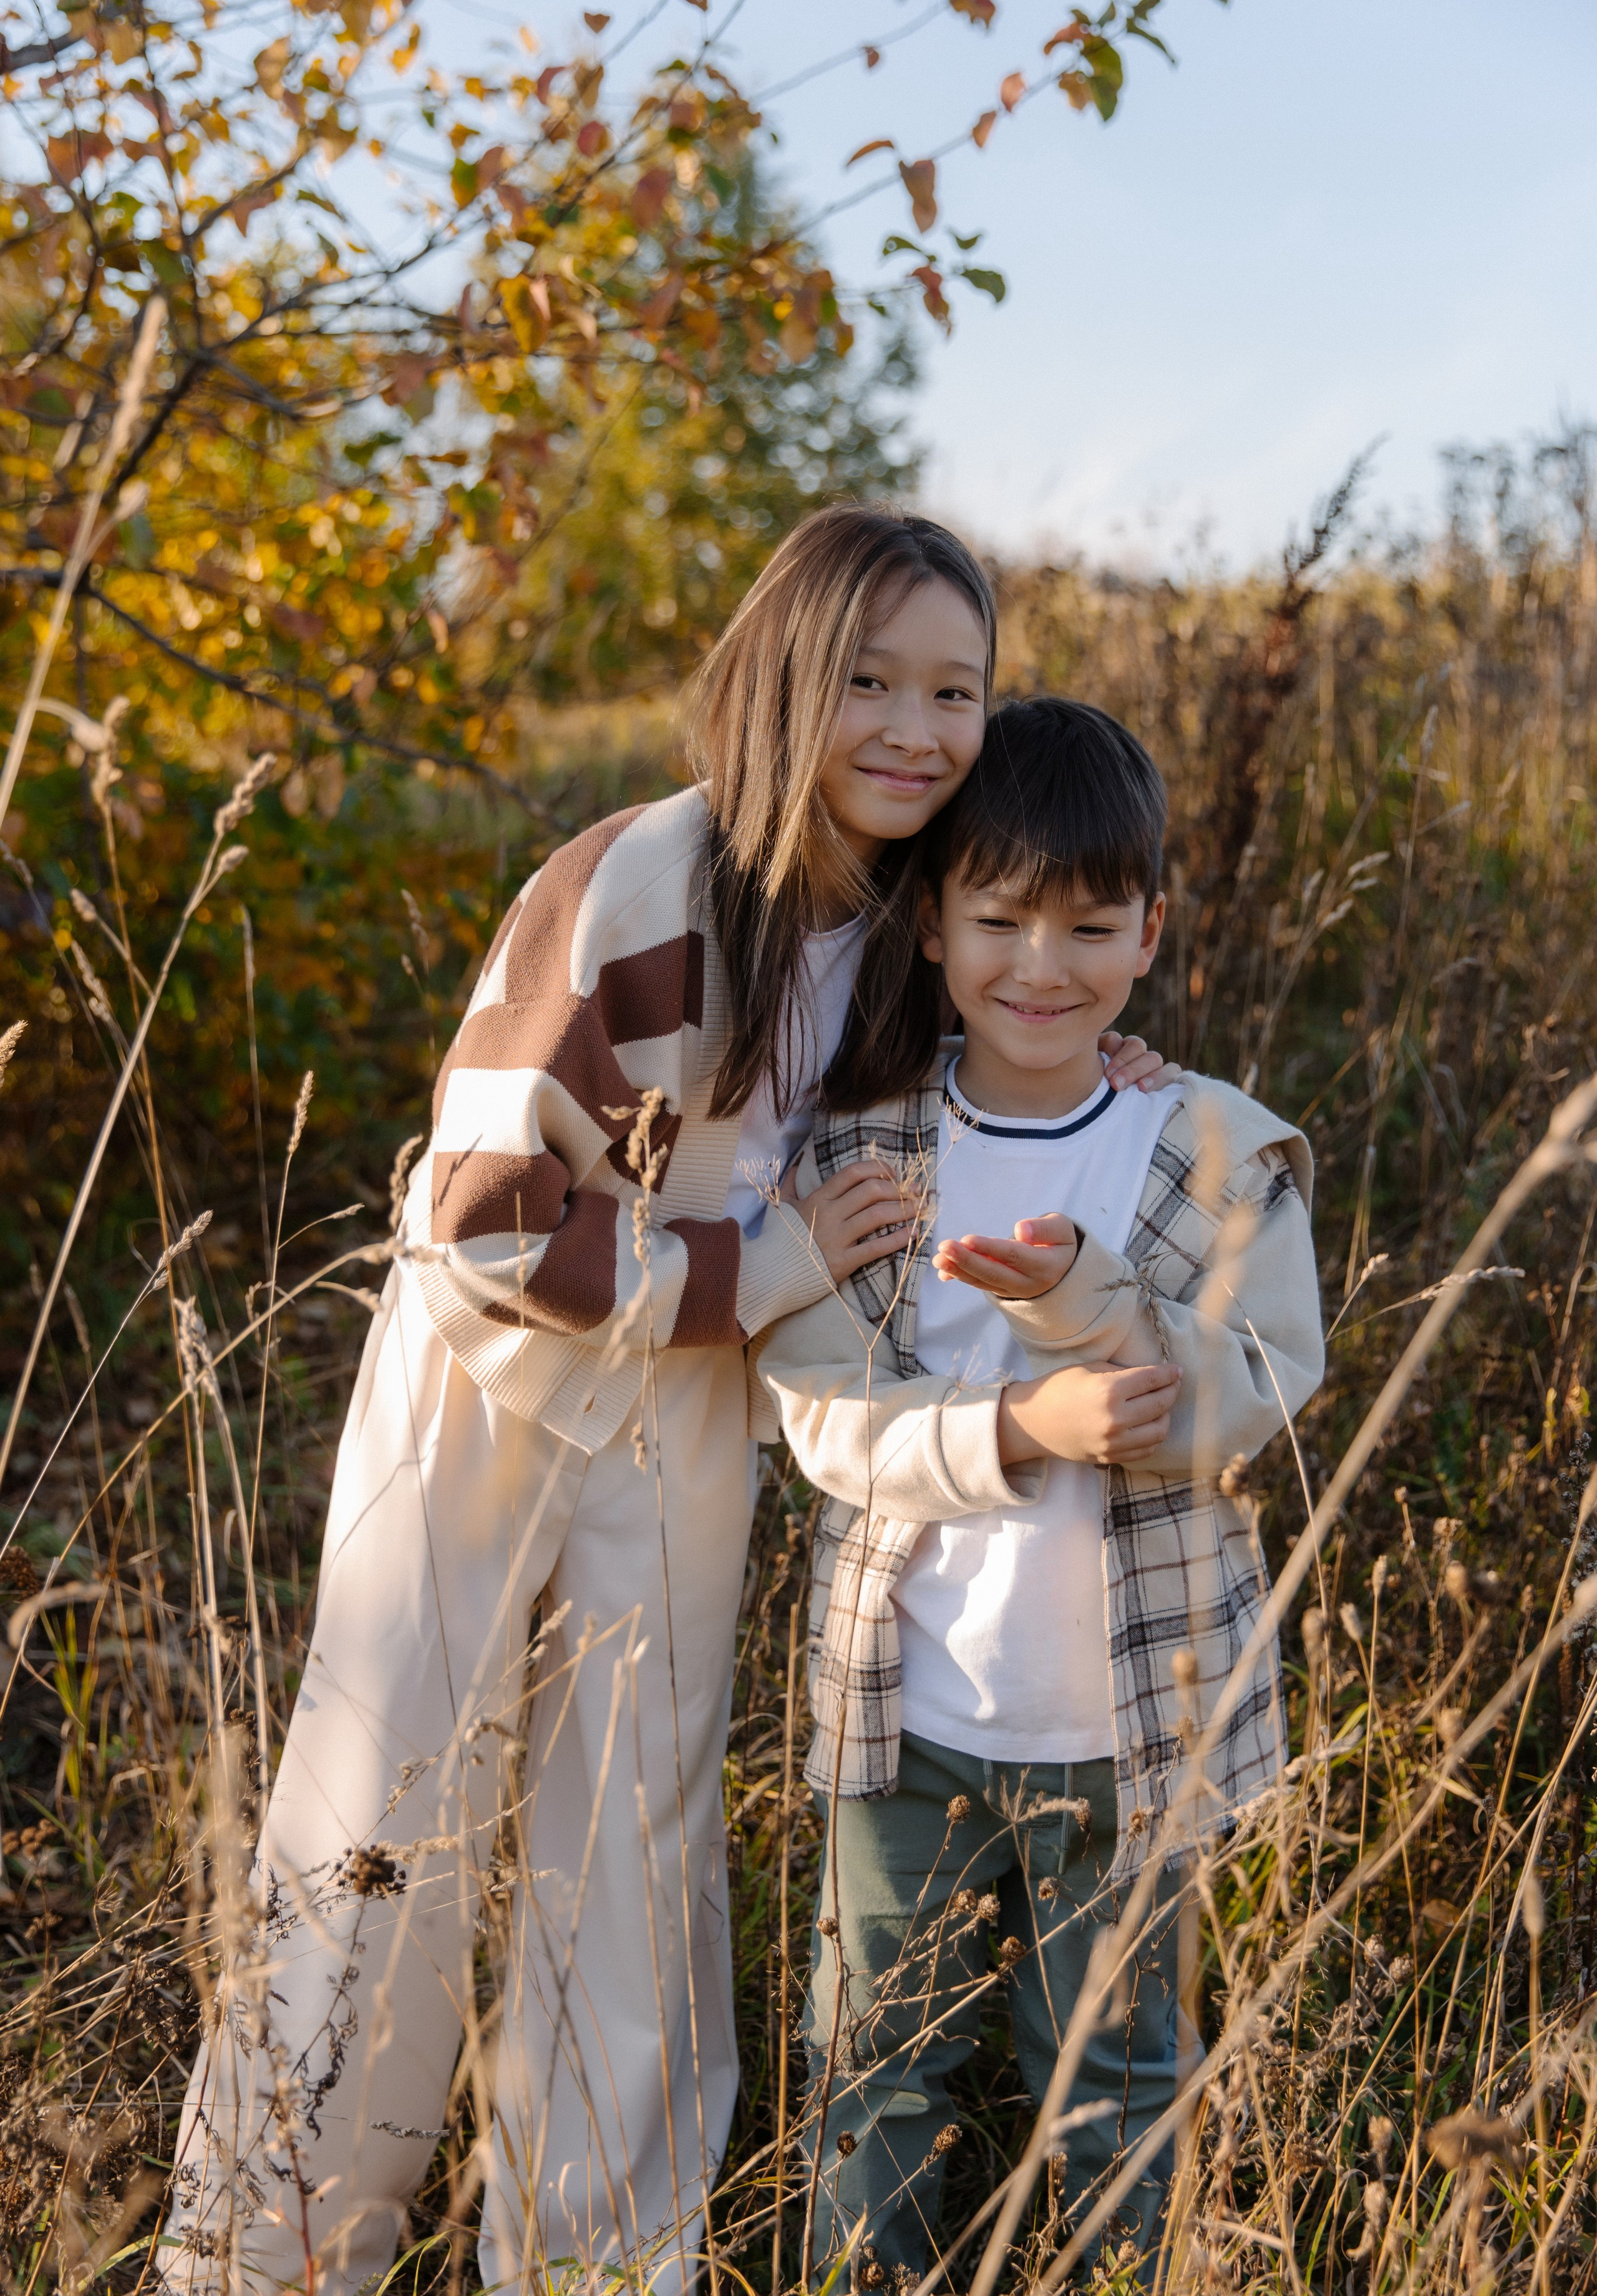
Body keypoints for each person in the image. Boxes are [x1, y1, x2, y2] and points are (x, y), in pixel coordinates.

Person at [161, 520, 1172, 2296]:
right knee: (384, 1818)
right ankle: (271, 2251)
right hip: (486, 1397)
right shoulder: (644, 880)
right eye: (871, 678)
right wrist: (758, 1260)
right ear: (783, 672)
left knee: (629, 1847)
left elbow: (1003, 1028)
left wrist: (1103, 1071)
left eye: (957, 689)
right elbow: (474, 1222)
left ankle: (599, 2265)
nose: (919, 728)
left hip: (686, 1417)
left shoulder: (899, 915)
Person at [754, 698, 1325, 2284]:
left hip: (1129, 1741)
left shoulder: (1203, 1144)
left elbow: (1254, 1400)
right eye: (996, 918)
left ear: (1150, 930)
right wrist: (1019, 1423)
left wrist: (1081, 1309)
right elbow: (821, 1417)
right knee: (877, 2080)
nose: (1040, 966)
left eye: (1088, 925)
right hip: (906, 1725)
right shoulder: (865, 1149)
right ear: (929, 926)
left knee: (1121, 2092)